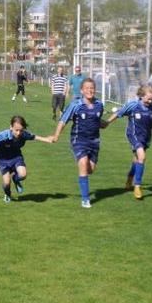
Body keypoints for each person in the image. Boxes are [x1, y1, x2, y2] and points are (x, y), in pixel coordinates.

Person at [0, 115, 53, 203]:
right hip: (2, 160)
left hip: (16, 157)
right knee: (7, 183)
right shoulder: (2, 136)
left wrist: (47, 139)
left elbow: (33, 136)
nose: (19, 133)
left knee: (23, 174)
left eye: (21, 130)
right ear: (11, 127)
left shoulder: (23, 134)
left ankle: (15, 179)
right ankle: (7, 194)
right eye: (16, 130)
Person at [51, 78, 107, 208]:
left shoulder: (99, 104)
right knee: (82, 164)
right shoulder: (75, 105)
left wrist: (105, 123)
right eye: (86, 88)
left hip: (94, 141)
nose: (89, 90)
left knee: (90, 169)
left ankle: (85, 185)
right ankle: (85, 199)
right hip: (78, 140)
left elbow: (97, 121)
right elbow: (63, 120)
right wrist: (56, 135)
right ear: (82, 90)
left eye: (92, 88)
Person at [104, 83, 152, 200]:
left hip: (146, 137)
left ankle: (129, 178)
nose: (150, 101)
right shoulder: (133, 105)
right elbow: (118, 114)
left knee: (137, 160)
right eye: (148, 99)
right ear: (141, 95)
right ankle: (137, 186)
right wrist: (107, 123)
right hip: (133, 135)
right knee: (142, 157)